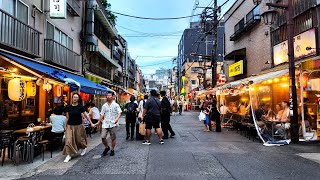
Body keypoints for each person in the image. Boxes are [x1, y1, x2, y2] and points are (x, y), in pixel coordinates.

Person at [63, 93, 93, 162]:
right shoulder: (68, 107)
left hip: (79, 126)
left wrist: (91, 123)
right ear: (72, 98)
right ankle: (69, 155)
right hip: (70, 126)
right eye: (74, 97)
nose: (75, 99)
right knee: (68, 141)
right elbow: (67, 117)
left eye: (76, 97)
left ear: (78, 99)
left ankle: (83, 147)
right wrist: (65, 126)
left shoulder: (80, 107)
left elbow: (86, 115)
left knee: (79, 140)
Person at [93, 92, 122, 157]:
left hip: (113, 123)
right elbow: (102, 114)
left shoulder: (116, 105)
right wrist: (98, 122)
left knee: (113, 138)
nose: (108, 96)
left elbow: (119, 112)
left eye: (110, 95)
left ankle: (112, 149)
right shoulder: (104, 105)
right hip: (105, 123)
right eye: (107, 95)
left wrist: (117, 119)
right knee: (103, 137)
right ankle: (107, 147)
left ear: (112, 97)